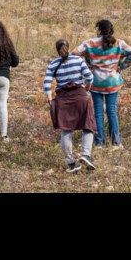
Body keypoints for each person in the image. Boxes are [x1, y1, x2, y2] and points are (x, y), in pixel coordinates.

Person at [74, 20, 131, 150]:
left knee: (98, 112)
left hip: (96, 81)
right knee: (111, 111)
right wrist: (121, 66)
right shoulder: (119, 43)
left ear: (99, 30)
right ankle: (116, 142)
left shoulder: (90, 43)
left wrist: (87, 65)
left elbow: (74, 53)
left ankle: (99, 142)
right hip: (113, 81)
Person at [44, 39, 96, 172]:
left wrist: (51, 101)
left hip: (63, 98)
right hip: (80, 96)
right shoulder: (78, 60)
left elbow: (47, 84)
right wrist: (87, 90)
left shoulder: (53, 64)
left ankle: (71, 163)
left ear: (57, 50)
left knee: (66, 130)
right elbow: (89, 77)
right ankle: (86, 155)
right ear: (68, 47)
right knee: (88, 126)